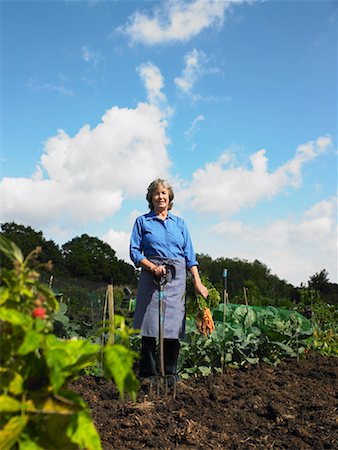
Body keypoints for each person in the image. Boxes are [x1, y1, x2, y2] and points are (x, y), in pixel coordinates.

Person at [129, 178, 208, 380]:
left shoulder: (180, 224)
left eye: (164, 193)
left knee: (173, 325)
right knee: (149, 324)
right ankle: (148, 374)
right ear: (151, 198)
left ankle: (170, 373)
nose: (160, 196)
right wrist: (152, 267)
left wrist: (197, 282)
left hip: (176, 278)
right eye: (156, 193)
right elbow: (135, 252)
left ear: (169, 197)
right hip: (150, 275)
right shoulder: (142, 221)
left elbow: (190, 256)